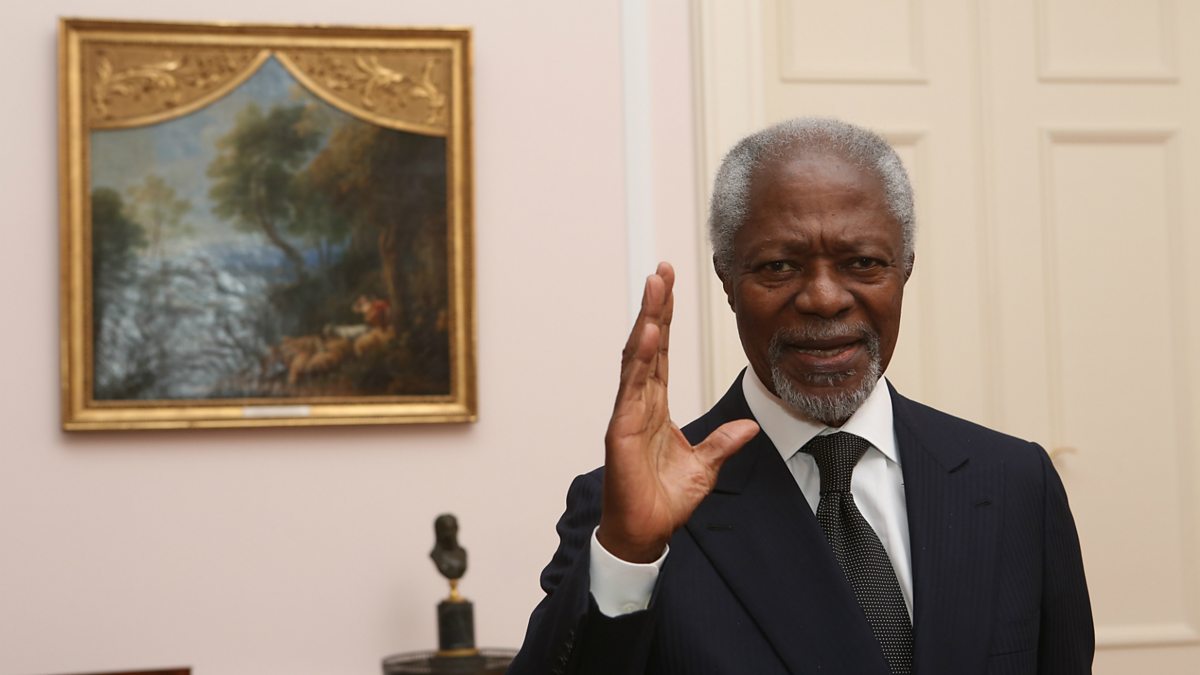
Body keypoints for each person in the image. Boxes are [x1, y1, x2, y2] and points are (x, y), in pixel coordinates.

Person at [508, 118, 1093, 675]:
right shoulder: (628, 510)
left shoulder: (1015, 482)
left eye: (862, 263)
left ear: (905, 270)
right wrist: (628, 556)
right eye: (779, 266)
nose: (823, 298)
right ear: (727, 280)